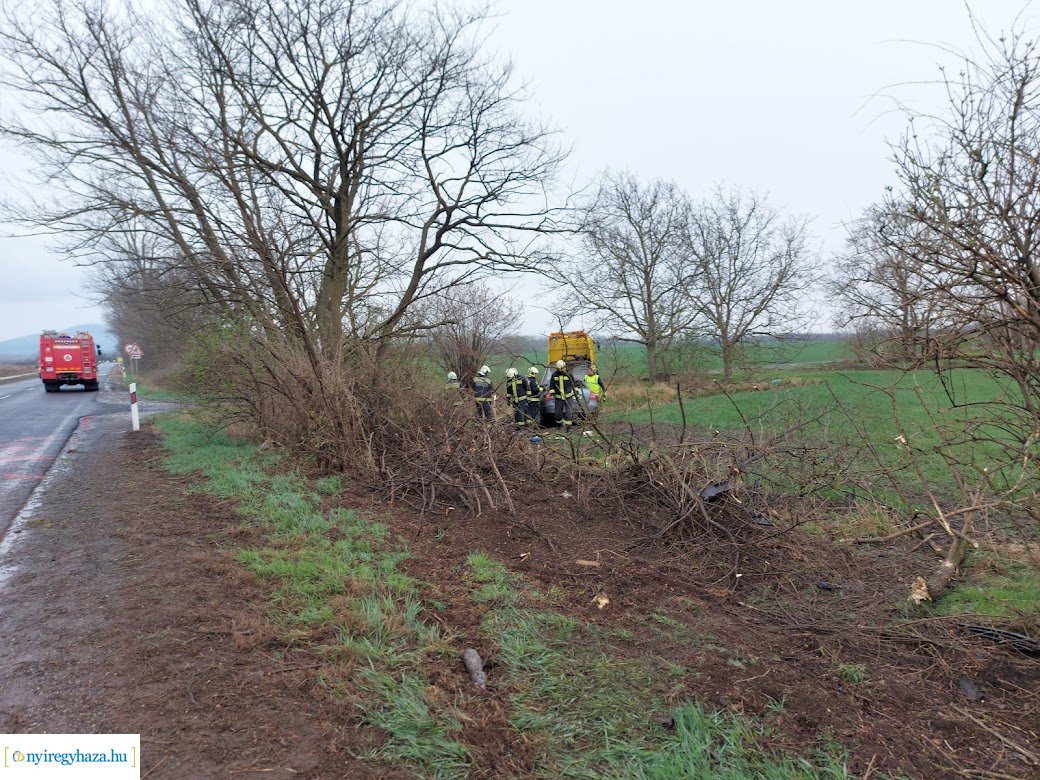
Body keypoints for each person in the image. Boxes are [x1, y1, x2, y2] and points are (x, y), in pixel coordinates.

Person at [548, 359, 576, 427]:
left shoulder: (568, 374)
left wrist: (575, 392)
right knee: (558, 413)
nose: (560, 370)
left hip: (568, 397)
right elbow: (551, 386)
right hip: (558, 398)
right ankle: (559, 426)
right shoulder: (554, 375)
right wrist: (552, 393)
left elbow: (573, 384)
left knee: (568, 412)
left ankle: (568, 427)